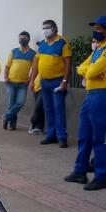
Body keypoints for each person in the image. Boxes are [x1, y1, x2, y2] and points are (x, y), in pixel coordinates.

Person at [64, 16, 106, 190]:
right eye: (95, 28)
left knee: (100, 138)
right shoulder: (98, 49)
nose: (96, 31)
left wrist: (90, 71)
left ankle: (101, 176)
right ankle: (80, 171)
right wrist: (90, 71)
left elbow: (91, 72)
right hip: (91, 95)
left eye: (99, 28)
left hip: (101, 96)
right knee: (84, 135)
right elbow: (80, 68)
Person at [36, 19, 71, 147]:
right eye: (43, 27)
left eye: (47, 27)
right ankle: (51, 135)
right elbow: (37, 62)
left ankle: (62, 137)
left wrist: (64, 81)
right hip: (44, 82)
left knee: (58, 109)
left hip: (58, 81)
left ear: (55, 28)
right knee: (48, 109)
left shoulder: (62, 43)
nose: (45, 30)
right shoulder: (42, 44)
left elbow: (68, 63)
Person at [3, 31, 37, 130]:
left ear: (29, 39)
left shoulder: (33, 54)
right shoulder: (14, 51)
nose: (22, 40)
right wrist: (5, 78)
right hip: (11, 82)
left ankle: (6, 116)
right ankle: (12, 125)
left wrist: (31, 81)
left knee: (20, 102)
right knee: (11, 104)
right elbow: (7, 66)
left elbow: (34, 69)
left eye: (24, 38)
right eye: (21, 38)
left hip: (23, 84)